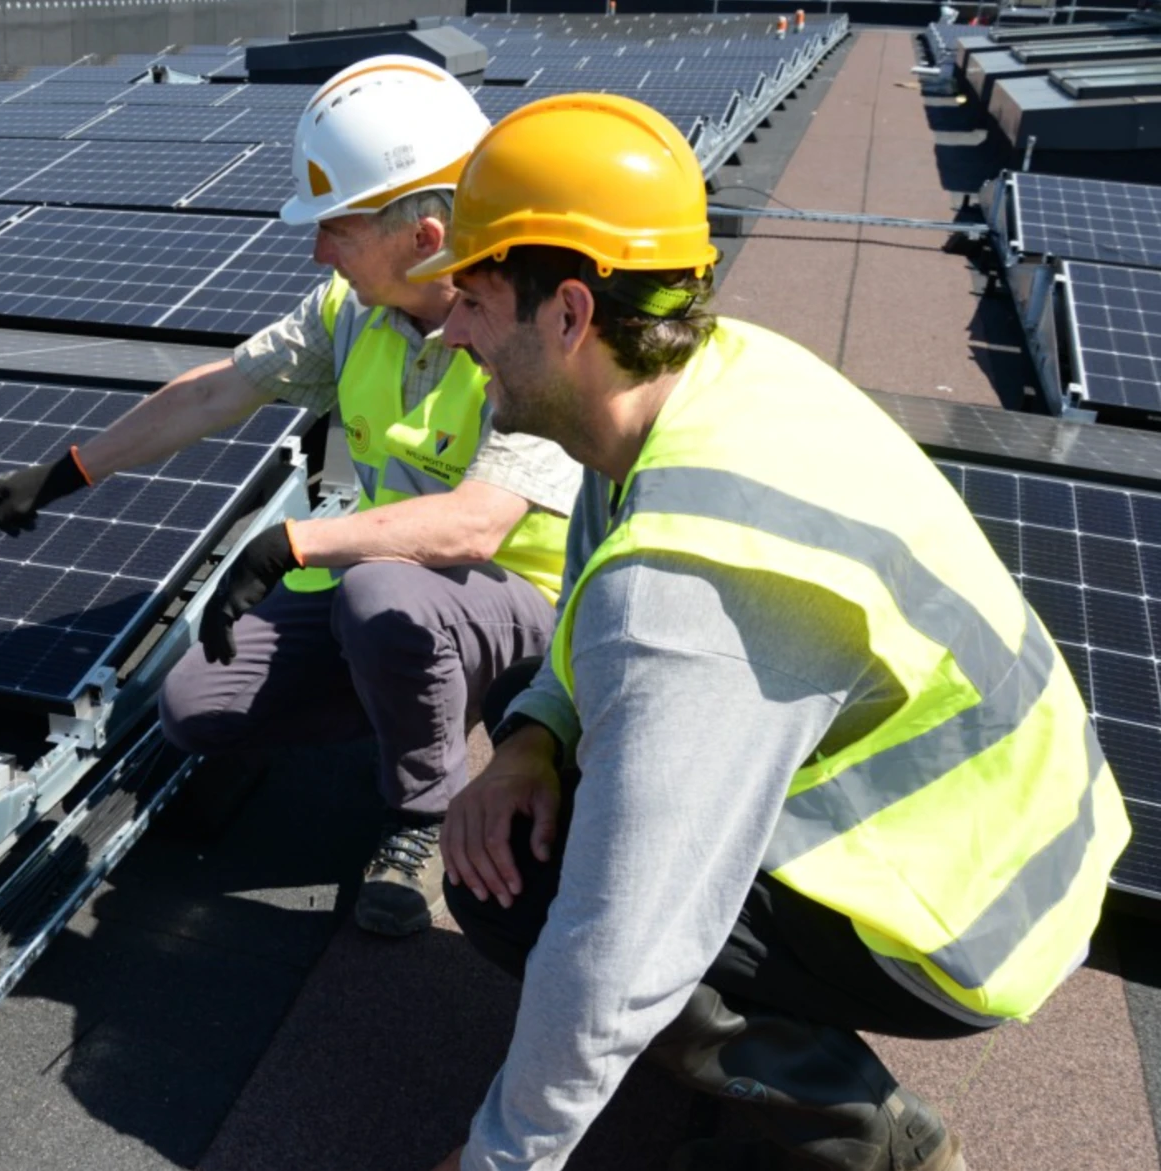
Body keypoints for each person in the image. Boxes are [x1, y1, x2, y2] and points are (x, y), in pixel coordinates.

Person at [410, 92, 1130, 1171]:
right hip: (1011, 833)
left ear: (565, 312)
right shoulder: (706, 378)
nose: (450, 331)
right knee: (551, 827)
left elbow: (619, 945)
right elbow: (595, 577)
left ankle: (870, 1140)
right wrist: (530, 736)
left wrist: (504, 1154)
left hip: (963, 913)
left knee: (525, 883)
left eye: (469, 300)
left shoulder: (684, 592)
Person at [0, 56, 581, 936]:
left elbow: (476, 526)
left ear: (426, 236)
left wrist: (296, 545)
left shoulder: (526, 332)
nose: (319, 249)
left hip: (529, 613)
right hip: (397, 589)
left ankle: (422, 815)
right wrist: (64, 472)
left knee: (382, 594)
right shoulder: (349, 310)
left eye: (340, 229)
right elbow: (220, 390)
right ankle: (406, 689)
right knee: (192, 706)